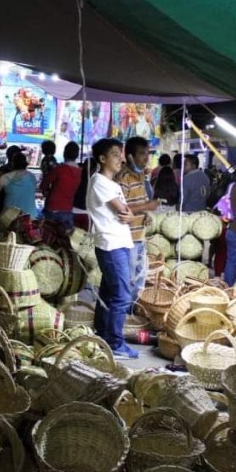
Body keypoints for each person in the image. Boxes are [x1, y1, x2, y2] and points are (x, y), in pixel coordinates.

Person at [87, 138, 136, 359]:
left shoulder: (111, 184)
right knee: (122, 296)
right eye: (116, 155)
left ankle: (103, 336)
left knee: (109, 293)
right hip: (111, 245)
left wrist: (131, 214)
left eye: (121, 154)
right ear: (102, 158)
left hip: (119, 243)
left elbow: (127, 214)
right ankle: (115, 344)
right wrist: (132, 214)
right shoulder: (99, 181)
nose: (122, 159)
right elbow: (123, 211)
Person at [119, 137, 160, 303]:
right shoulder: (123, 178)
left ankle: (132, 311)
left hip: (140, 237)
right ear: (130, 156)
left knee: (139, 281)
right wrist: (148, 207)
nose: (146, 159)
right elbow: (121, 209)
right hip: (127, 239)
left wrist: (147, 214)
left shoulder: (141, 177)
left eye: (147, 154)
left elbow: (139, 203)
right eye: (142, 154)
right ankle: (126, 316)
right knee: (128, 281)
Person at [41, 141, 82, 232]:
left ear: (64, 153)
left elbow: (43, 185)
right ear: (77, 155)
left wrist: (47, 191)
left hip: (52, 207)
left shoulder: (59, 169)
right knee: (65, 239)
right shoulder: (80, 172)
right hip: (67, 208)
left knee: (49, 236)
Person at [0, 150, 38, 218]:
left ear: (13, 164)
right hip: (30, 216)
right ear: (25, 163)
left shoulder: (6, 177)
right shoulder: (32, 177)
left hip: (10, 217)